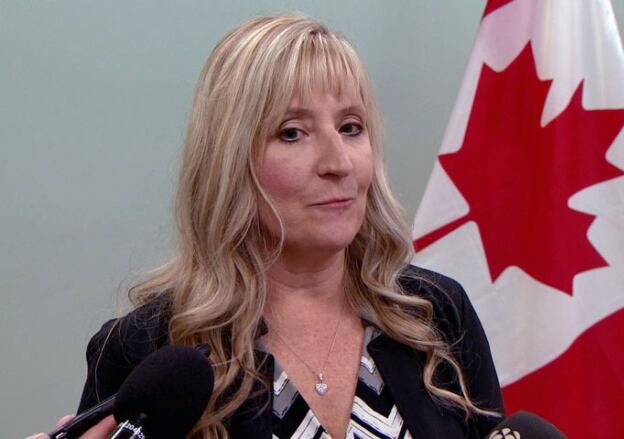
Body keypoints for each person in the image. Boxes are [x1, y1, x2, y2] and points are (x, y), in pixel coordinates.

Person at [30, 14, 503, 439]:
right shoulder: (148, 349)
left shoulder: (436, 315)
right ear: (230, 163)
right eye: (292, 133)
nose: (338, 162)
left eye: (351, 127)